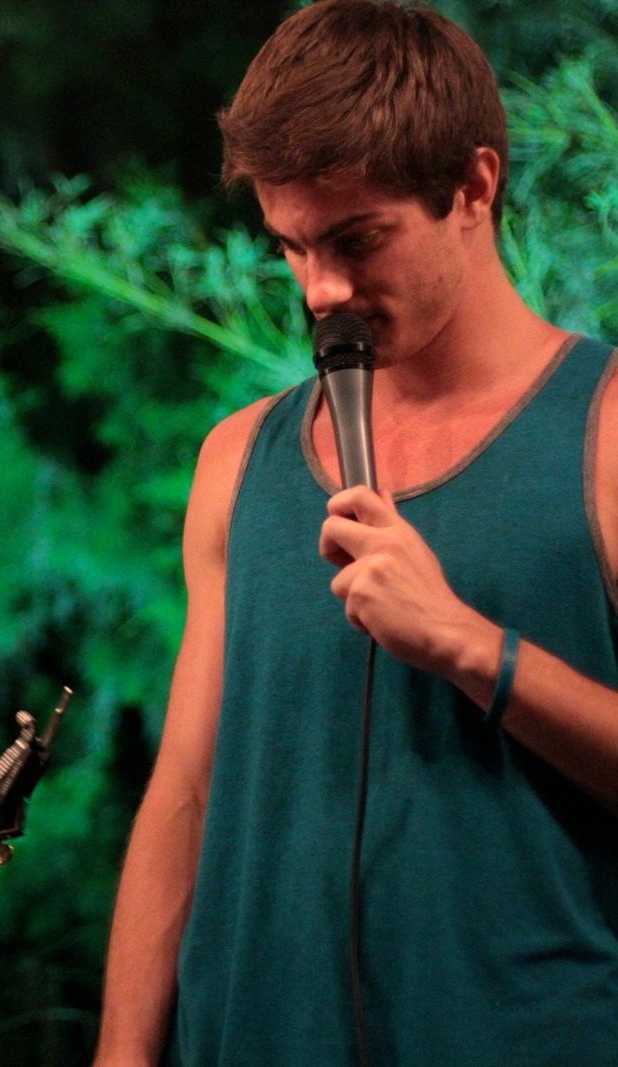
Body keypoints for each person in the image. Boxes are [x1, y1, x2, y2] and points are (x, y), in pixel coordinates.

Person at [94, 2, 618, 1064]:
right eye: (290, 247)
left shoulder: (605, 431)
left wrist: (468, 644)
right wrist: (120, 1053)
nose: (321, 289)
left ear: (473, 186)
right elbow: (187, 790)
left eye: (356, 239)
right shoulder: (236, 458)